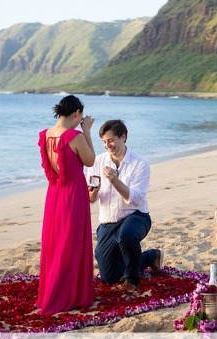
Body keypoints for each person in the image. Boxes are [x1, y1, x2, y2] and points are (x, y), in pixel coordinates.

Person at [36, 95, 96, 315]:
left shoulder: (45, 135)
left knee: (57, 243)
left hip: (54, 194)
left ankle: (54, 291)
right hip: (73, 194)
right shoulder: (75, 136)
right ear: (77, 113)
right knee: (71, 243)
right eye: (81, 117)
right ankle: (66, 294)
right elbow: (90, 161)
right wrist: (87, 131)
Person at [88, 119, 163, 292]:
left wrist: (115, 181)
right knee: (109, 277)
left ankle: (132, 281)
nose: (107, 145)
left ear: (123, 137)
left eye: (111, 140)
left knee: (126, 236)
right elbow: (91, 199)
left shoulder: (140, 163)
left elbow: (136, 199)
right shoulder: (97, 162)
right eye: (104, 142)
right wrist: (93, 193)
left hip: (136, 216)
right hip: (108, 222)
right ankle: (152, 256)